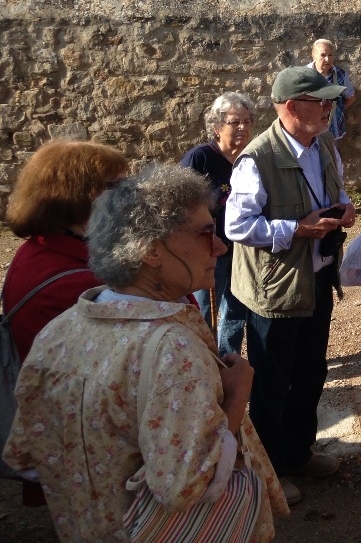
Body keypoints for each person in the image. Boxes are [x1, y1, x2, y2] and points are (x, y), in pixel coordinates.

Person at [4, 164, 288, 542]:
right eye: (206, 233)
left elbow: (25, 454)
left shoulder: (60, 331)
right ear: (152, 250)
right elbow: (187, 487)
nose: (220, 246)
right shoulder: (172, 349)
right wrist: (236, 396)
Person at [225, 66, 357, 506]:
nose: (329, 108)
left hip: (316, 280)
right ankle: (271, 471)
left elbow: (336, 193)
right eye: (321, 102)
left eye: (330, 101)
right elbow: (236, 225)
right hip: (274, 292)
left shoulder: (323, 147)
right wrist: (296, 230)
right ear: (291, 107)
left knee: (310, 373)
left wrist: (345, 210)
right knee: (271, 384)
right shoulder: (256, 158)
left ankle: (298, 453)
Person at [1, 140, 129, 507]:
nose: (128, 197)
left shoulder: (47, 250)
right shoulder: (71, 279)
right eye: (117, 187)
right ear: (82, 197)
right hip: (85, 440)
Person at [180, 91, 255, 355]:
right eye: (235, 122)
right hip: (207, 251)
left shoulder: (251, 159)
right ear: (217, 127)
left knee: (236, 312)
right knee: (203, 314)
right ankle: (202, 362)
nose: (243, 128)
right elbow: (180, 205)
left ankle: (227, 361)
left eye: (247, 121)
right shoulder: (199, 159)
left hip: (241, 248)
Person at [307, 38, 356, 144]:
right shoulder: (304, 75)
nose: (327, 59)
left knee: (332, 159)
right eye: (323, 55)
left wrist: (337, 110)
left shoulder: (340, 75)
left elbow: (351, 97)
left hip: (332, 131)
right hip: (310, 131)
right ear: (313, 55)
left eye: (330, 55)